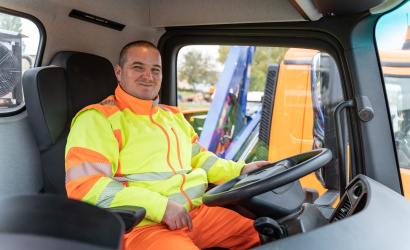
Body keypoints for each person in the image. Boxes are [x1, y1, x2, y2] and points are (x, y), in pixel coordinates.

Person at [65, 41, 271, 249]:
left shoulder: (172, 116)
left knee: (268, 237)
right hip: (143, 226)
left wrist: (241, 169)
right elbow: (86, 187)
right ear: (119, 72)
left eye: (156, 70)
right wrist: (160, 207)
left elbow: (200, 158)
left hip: (197, 214)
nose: (148, 76)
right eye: (138, 67)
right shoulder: (98, 119)